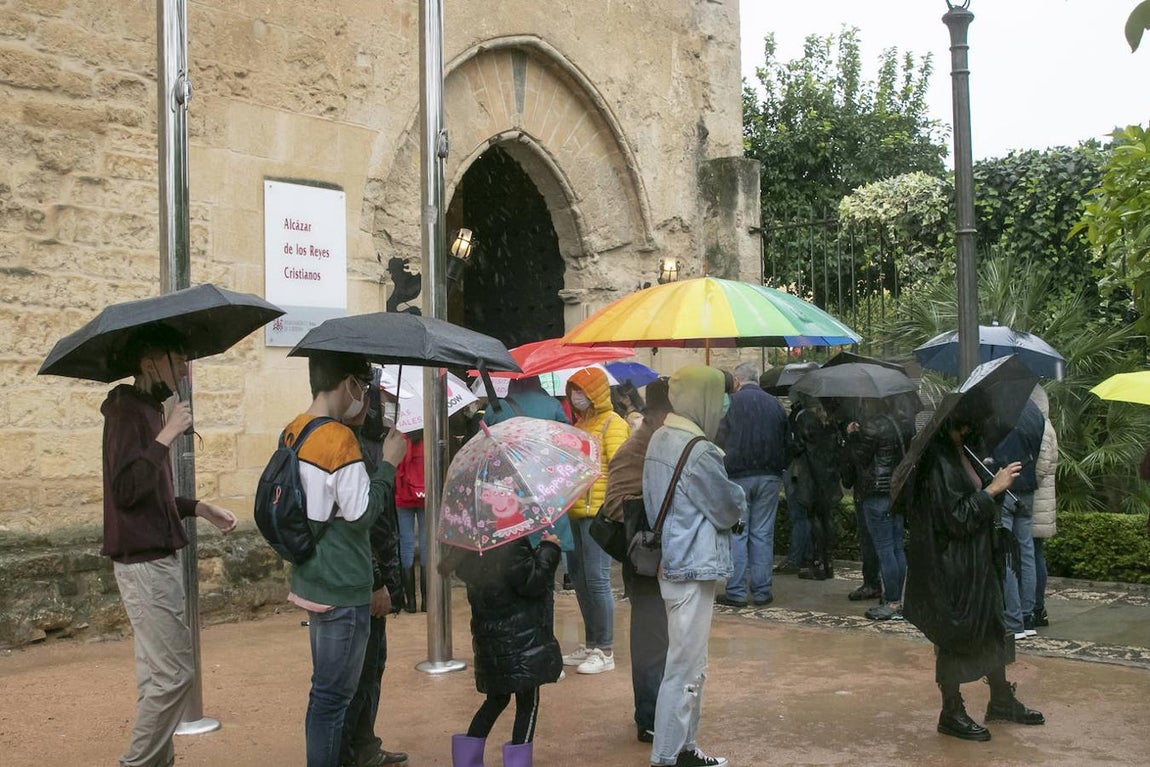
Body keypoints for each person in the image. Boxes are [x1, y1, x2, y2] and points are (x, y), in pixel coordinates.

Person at [101, 325, 238, 767]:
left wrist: (199, 507)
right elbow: (125, 491)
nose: (184, 369)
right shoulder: (126, 413)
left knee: (155, 677)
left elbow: (151, 497)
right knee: (175, 677)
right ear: (148, 364)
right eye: (177, 361)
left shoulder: (146, 409)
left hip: (154, 556)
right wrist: (167, 435)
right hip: (144, 563)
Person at [284, 351, 407, 767]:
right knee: (334, 698)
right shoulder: (338, 440)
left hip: (313, 576)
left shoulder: (295, 429)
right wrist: (388, 464)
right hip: (343, 583)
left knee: (324, 693)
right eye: (363, 385)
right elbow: (363, 513)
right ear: (349, 384)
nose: (365, 395)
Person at [900, 402, 1044, 742]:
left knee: (992, 626)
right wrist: (992, 490)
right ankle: (950, 710)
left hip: (977, 562)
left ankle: (1001, 699)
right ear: (952, 425)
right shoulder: (936, 464)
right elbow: (956, 518)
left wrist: (995, 484)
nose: (972, 431)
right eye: (965, 426)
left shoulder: (961, 451)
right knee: (955, 635)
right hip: (951, 568)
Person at [643, 365, 745, 767]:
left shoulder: (660, 438)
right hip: (691, 567)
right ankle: (667, 756)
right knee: (684, 669)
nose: (723, 404)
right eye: (718, 394)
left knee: (690, 665)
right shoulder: (698, 449)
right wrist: (736, 495)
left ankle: (684, 748)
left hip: (673, 563)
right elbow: (725, 508)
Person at [440, 534, 564, 767]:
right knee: (528, 702)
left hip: (492, 640)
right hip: (522, 640)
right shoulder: (510, 542)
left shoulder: (471, 544)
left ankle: (466, 761)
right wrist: (549, 548)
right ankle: (518, 763)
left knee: (496, 699)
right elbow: (533, 582)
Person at [339, 369, 408, 767]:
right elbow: (363, 521)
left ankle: (364, 744)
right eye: (368, 392)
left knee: (373, 666)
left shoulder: (371, 443)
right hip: (366, 578)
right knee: (358, 672)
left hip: (377, 570)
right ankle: (351, 751)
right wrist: (378, 581)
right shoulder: (352, 449)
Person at [601, 377, 672, 744]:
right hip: (645, 559)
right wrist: (654, 505)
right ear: (660, 413)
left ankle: (660, 711)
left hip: (664, 557)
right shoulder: (635, 450)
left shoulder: (663, 443)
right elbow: (615, 506)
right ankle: (648, 716)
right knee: (649, 638)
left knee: (663, 637)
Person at [562, 367, 629, 675]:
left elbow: (619, 465)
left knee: (597, 579)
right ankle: (591, 644)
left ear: (596, 393)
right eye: (573, 390)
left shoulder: (613, 424)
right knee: (579, 579)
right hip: (575, 510)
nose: (577, 396)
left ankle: (605, 648)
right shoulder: (581, 424)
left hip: (597, 513)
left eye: (582, 390)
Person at [714, 362, 788, 608]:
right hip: (769, 476)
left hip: (737, 476)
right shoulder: (775, 405)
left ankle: (736, 591)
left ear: (737, 380)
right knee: (763, 534)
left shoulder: (730, 404)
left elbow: (719, 437)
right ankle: (762, 590)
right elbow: (786, 439)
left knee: (738, 532)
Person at [843, 399, 914, 620]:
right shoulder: (903, 424)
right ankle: (898, 600)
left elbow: (859, 458)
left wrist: (852, 436)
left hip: (876, 494)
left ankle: (892, 601)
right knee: (896, 548)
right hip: (897, 492)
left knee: (884, 549)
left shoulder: (872, 427)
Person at [989, 399, 1045, 640]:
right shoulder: (1035, 411)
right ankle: (1027, 615)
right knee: (1026, 551)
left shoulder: (999, 408)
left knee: (1008, 553)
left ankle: (1012, 620)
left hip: (1005, 487)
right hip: (1027, 486)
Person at [789, 396, 843, 580]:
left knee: (815, 518)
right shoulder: (834, 424)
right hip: (829, 478)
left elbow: (797, 446)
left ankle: (819, 563)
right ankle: (827, 562)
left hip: (813, 476)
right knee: (826, 517)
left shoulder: (807, 420)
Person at [774, 395, 814, 575]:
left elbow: (798, 444)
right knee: (804, 516)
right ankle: (807, 555)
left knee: (799, 516)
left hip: (797, 471)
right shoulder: (810, 415)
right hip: (807, 472)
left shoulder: (799, 416)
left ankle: (796, 558)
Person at [1029, 387, 1059, 628]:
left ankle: (1036, 607)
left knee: (1033, 555)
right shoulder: (1045, 426)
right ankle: (1037, 606)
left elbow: (1039, 467)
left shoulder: (1041, 429)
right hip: (1041, 503)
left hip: (1035, 501)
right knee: (1035, 554)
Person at [394, 430, 426, 613]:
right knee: (425, 545)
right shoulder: (429, 440)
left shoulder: (400, 441)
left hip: (403, 497)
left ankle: (411, 602)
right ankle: (427, 601)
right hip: (425, 497)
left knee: (405, 546)